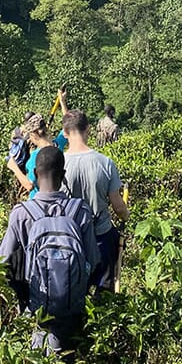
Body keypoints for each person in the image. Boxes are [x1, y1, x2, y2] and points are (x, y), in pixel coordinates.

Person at [0, 146, 99, 355]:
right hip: (74, 307)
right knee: (74, 360)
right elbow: (93, 259)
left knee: (40, 362)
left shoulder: (21, 214)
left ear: (35, 174)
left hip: (38, 307)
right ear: (63, 175)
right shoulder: (80, 210)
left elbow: (3, 260)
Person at [61, 109, 129, 292]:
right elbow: (118, 207)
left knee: (75, 291)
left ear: (65, 133)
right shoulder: (105, 163)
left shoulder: (59, 164)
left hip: (71, 238)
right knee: (104, 293)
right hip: (101, 236)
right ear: (88, 129)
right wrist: (126, 216)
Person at [7, 113, 56, 198]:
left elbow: (29, 185)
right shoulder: (57, 146)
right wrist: (63, 105)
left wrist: (14, 167)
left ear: (33, 135)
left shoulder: (36, 157)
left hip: (37, 200)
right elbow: (68, 128)